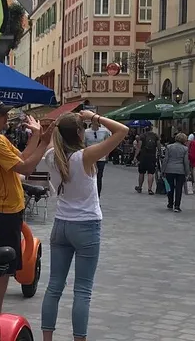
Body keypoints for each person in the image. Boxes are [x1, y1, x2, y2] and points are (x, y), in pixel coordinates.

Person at [39, 109, 127, 341]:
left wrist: (55, 126)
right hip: (86, 225)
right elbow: (122, 131)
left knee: (54, 287)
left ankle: (47, 338)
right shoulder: (84, 157)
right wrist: (94, 117)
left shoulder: (52, 156)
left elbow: (51, 139)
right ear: (79, 133)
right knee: (83, 290)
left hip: (61, 225)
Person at [0, 98, 54, 339]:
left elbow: (22, 157)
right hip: (4, 212)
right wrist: (45, 141)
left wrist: (36, 137)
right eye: (2, 115)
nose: (6, 118)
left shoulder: (0, 139)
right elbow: (27, 168)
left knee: (5, 269)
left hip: (12, 210)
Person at [162, 133, 190, 212]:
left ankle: (170, 203)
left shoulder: (169, 147)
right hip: (180, 170)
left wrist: (163, 170)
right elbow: (186, 162)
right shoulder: (185, 149)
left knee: (169, 187)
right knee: (179, 188)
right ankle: (177, 205)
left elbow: (165, 160)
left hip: (169, 169)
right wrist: (187, 172)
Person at [83, 117, 111, 197]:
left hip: (101, 157)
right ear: (92, 122)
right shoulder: (86, 132)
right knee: (90, 176)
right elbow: (84, 144)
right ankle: (89, 195)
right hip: (90, 157)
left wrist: (107, 154)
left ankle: (97, 196)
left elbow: (108, 143)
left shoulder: (104, 131)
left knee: (99, 177)